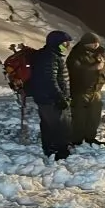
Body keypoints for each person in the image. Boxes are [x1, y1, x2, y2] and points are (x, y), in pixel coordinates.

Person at [28, 30, 74, 160]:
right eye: (65, 43)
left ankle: (51, 148)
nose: (67, 46)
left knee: (51, 124)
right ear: (56, 43)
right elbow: (50, 79)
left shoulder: (54, 55)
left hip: (48, 98)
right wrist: (59, 97)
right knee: (57, 124)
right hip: (50, 99)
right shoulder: (50, 57)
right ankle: (58, 150)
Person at [66, 32, 105, 146]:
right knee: (79, 116)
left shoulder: (101, 54)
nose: (95, 45)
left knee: (94, 116)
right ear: (85, 43)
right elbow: (75, 70)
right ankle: (77, 139)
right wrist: (93, 68)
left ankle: (90, 138)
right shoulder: (76, 54)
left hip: (96, 90)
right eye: (92, 43)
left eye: (97, 43)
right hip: (80, 90)